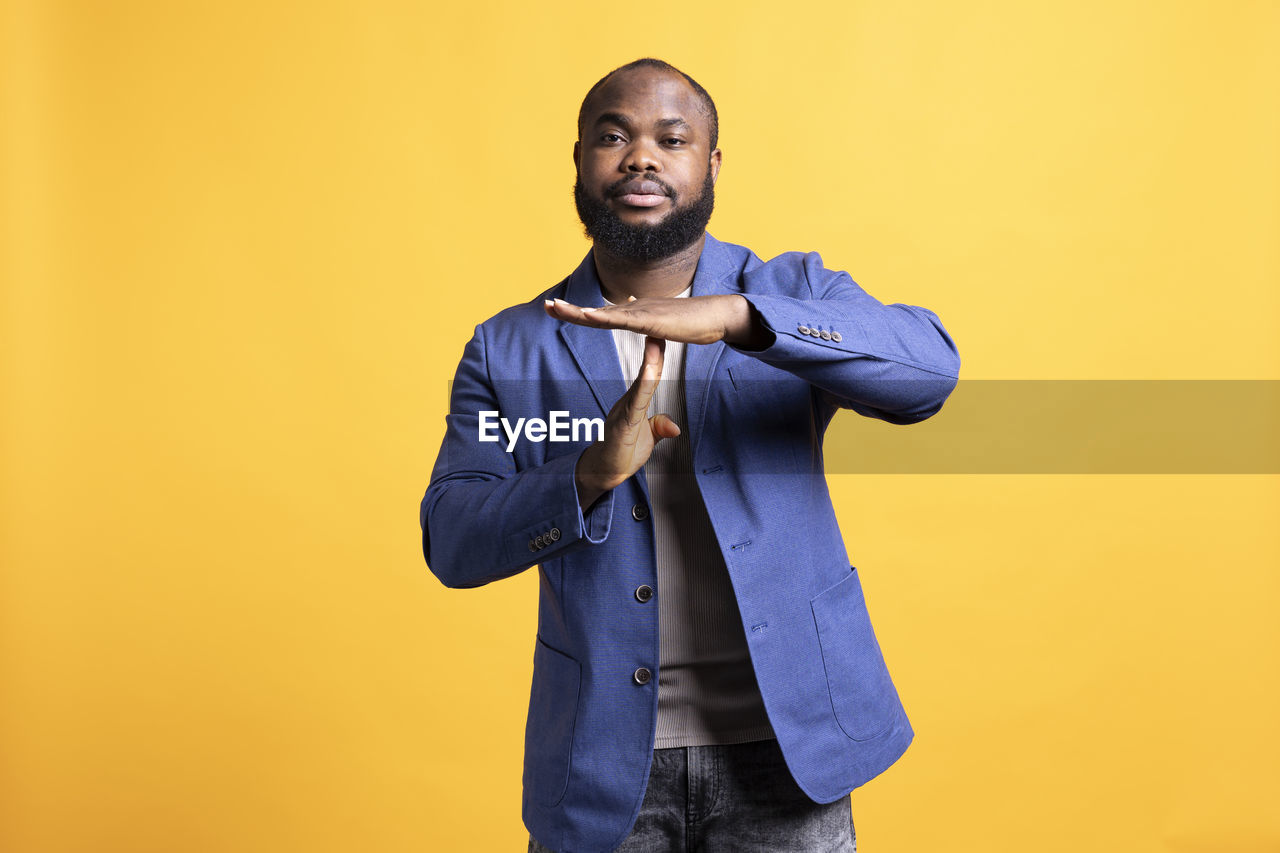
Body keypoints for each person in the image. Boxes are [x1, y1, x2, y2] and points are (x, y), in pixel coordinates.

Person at [420, 57, 960, 853]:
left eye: (671, 139)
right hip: (602, 768)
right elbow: (453, 538)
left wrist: (746, 319)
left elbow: (929, 369)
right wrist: (588, 472)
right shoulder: (511, 346)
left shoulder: (790, 294)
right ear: (578, 162)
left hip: (790, 749)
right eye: (614, 136)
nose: (641, 156)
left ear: (709, 166)